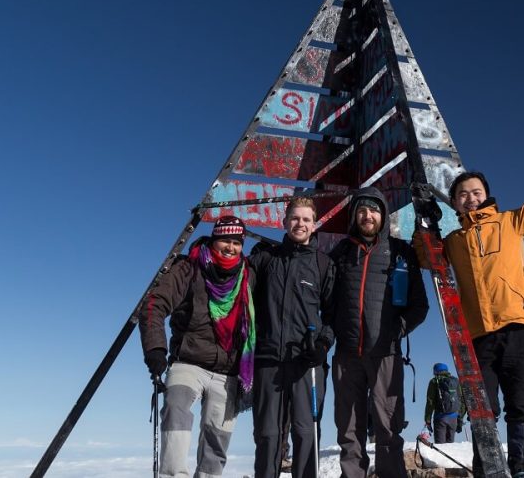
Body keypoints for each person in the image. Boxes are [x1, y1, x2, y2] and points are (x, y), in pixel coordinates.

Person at [413, 137, 524, 476]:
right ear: (455, 202)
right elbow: (426, 258)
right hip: (478, 335)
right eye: (463, 194)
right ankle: (486, 470)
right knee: (483, 409)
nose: (470, 198)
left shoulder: (511, 222)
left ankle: (521, 469)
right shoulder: (453, 241)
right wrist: (424, 221)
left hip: (518, 328)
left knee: (521, 404)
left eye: (476, 192)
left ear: (486, 195)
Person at [139, 216, 256, 478]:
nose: (231, 247)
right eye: (225, 240)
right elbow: (154, 304)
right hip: (188, 361)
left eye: (237, 242)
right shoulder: (189, 268)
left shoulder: (248, 275)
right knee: (176, 410)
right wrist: (155, 350)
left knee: (218, 437)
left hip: (228, 369)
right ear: (214, 240)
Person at [327, 187, 429, 478]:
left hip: (386, 353)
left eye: (373, 210)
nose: (367, 215)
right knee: (348, 428)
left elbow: (419, 306)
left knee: (387, 427)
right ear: (354, 216)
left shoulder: (400, 252)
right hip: (347, 354)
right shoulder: (341, 253)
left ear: (382, 215)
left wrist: (398, 329)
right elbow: (328, 303)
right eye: (361, 210)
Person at [248, 196, 336, 478]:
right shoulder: (265, 257)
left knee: (305, 431)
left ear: (314, 225)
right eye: (295, 218)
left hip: (307, 363)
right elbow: (242, 292)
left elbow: (333, 313)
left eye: (306, 219)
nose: (300, 224)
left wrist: (323, 344)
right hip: (268, 359)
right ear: (284, 222)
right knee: (268, 433)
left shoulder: (323, 264)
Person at [423, 363, 466, 444]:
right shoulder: (455, 381)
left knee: (441, 447)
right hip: (454, 418)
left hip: (440, 418)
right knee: (450, 446)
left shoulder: (434, 381)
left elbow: (430, 402)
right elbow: (461, 400)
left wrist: (427, 420)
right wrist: (460, 418)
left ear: (435, 371)